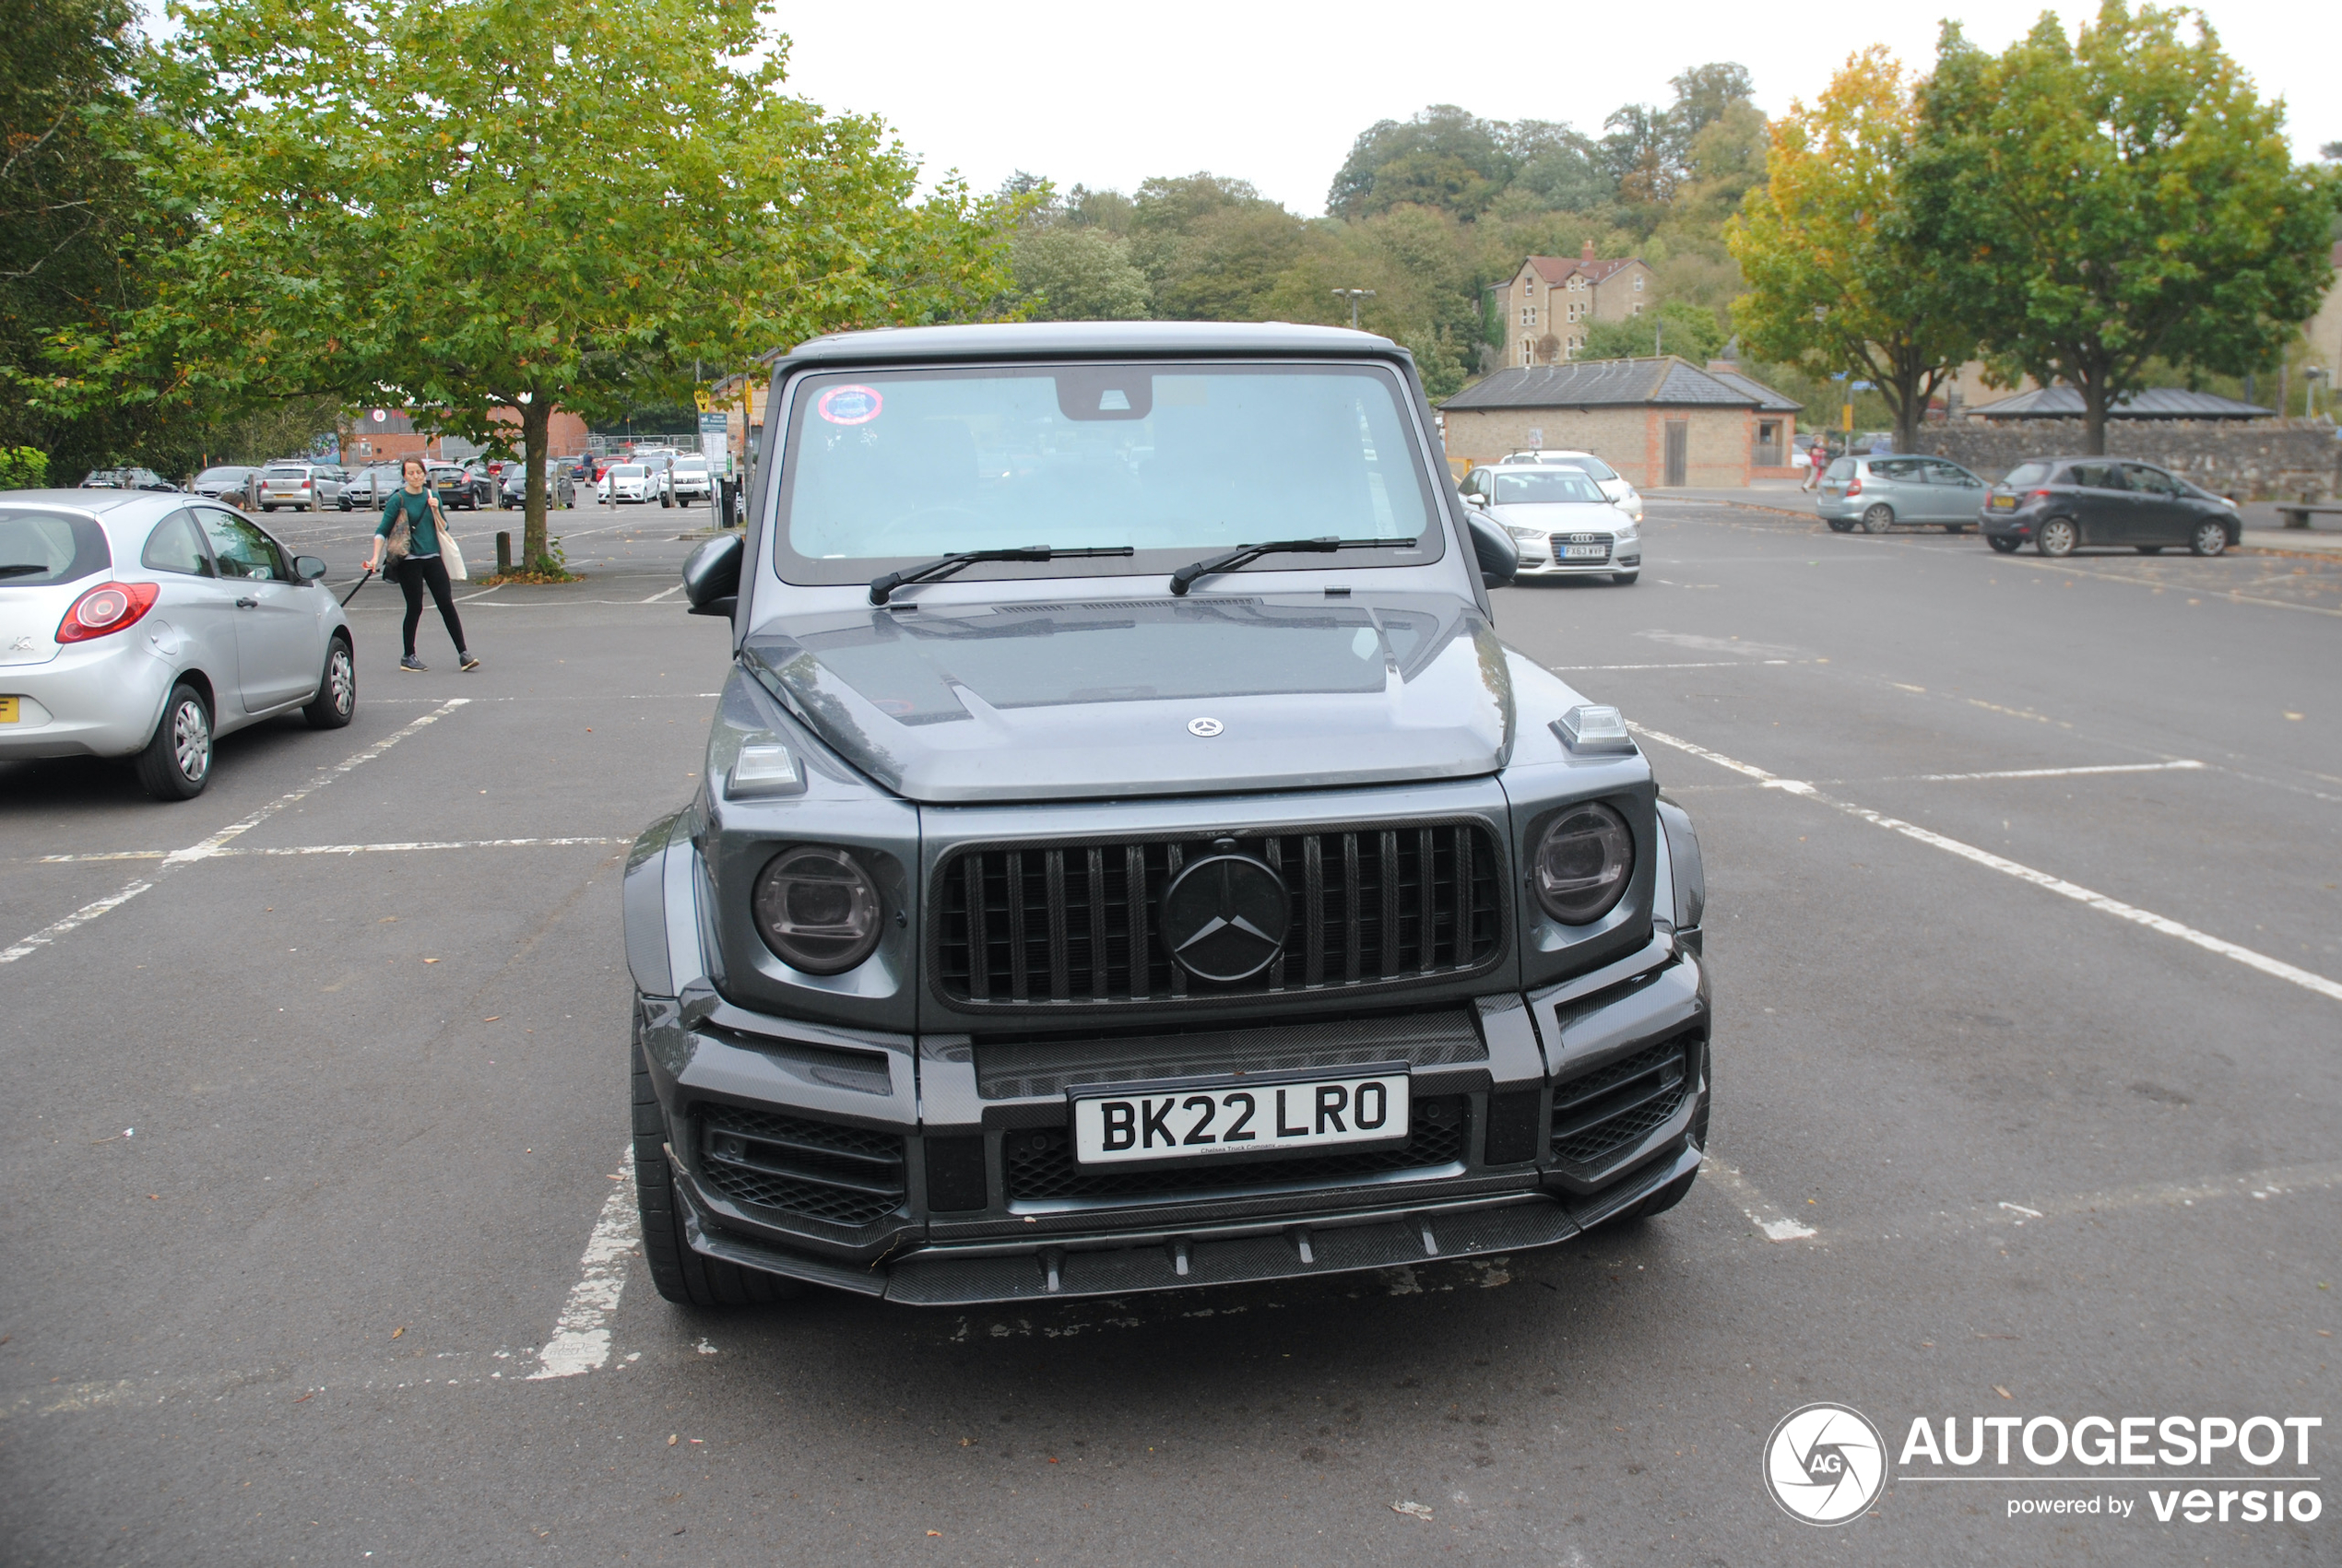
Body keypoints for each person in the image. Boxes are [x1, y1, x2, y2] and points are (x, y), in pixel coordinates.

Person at [366, 456, 479, 673]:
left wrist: (436, 509)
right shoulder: (397, 500)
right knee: (415, 606)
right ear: (404, 476)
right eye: (411, 473)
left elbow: (444, 526)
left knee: (446, 603)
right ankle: (408, 655)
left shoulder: (432, 496)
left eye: (419, 472)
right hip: (409, 560)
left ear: (424, 474)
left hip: (432, 557)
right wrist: (374, 557)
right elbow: (382, 531)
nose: (416, 476)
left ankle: (464, 654)